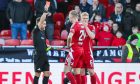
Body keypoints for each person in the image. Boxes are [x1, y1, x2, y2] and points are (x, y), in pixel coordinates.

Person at [64, 10, 86, 84]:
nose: (69, 19)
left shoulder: (74, 25)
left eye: (69, 17)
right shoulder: (82, 24)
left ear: (72, 17)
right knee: (77, 71)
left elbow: (69, 37)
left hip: (75, 50)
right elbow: (84, 36)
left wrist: (68, 45)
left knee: (66, 70)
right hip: (81, 49)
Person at [32, 4, 51, 84]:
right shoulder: (36, 31)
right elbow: (41, 21)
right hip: (38, 56)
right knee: (37, 74)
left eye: (45, 23)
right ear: (39, 24)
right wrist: (45, 11)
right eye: (43, 23)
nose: (45, 25)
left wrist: (48, 47)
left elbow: (43, 45)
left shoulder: (43, 32)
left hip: (44, 55)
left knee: (47, 73)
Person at [80, 12, 96, 84]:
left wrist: (86, 27)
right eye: (83, 18)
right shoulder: (77, 26)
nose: (85, 20)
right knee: (82, 72)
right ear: (81, 19)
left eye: (86, 18)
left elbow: (92, 36)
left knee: (91, 72)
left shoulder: (92, 27)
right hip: (79, 52)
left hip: (88, 52)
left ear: (88, 19)